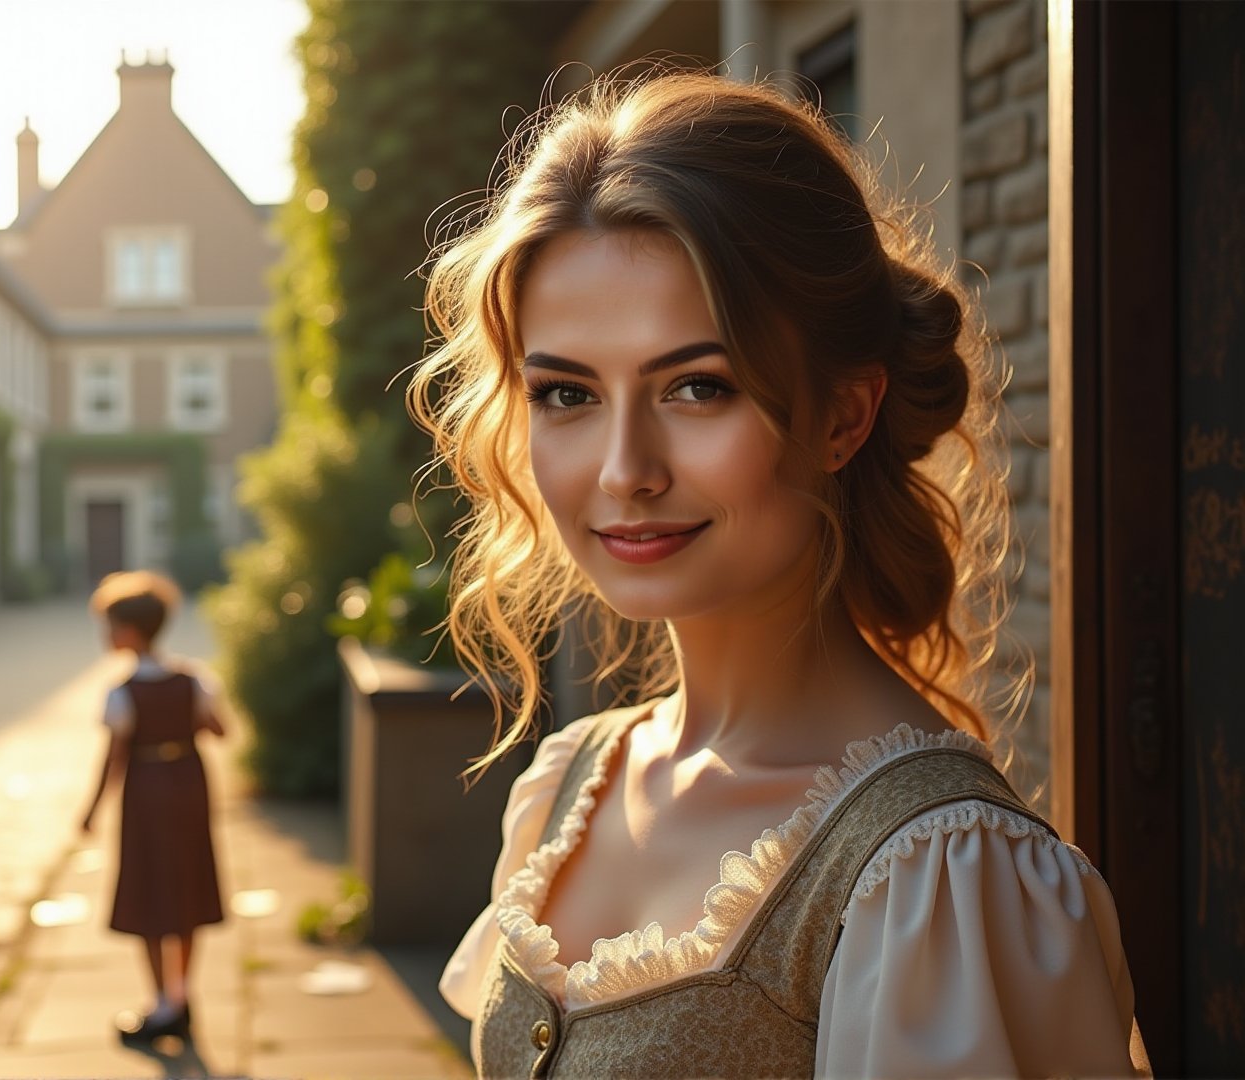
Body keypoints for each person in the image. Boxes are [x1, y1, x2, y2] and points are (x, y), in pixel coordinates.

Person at [408, 72, 1145, 1077]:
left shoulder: (938, 875)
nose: (625, 471)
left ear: (844, 415)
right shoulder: (571, 782)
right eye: (567, 394)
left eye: (697, 387)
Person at [79, 570, 227, 1044]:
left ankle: (164, 1000)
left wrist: (91, 810)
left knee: (148, 892)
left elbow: (114, 758)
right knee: (185, 888)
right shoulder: (193, 678)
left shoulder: (122, 692)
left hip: (146, 791)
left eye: (109, 626)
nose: (105, 635)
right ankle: (180, 996)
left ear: (128, 631)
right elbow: (219, 729)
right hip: (189, 785)